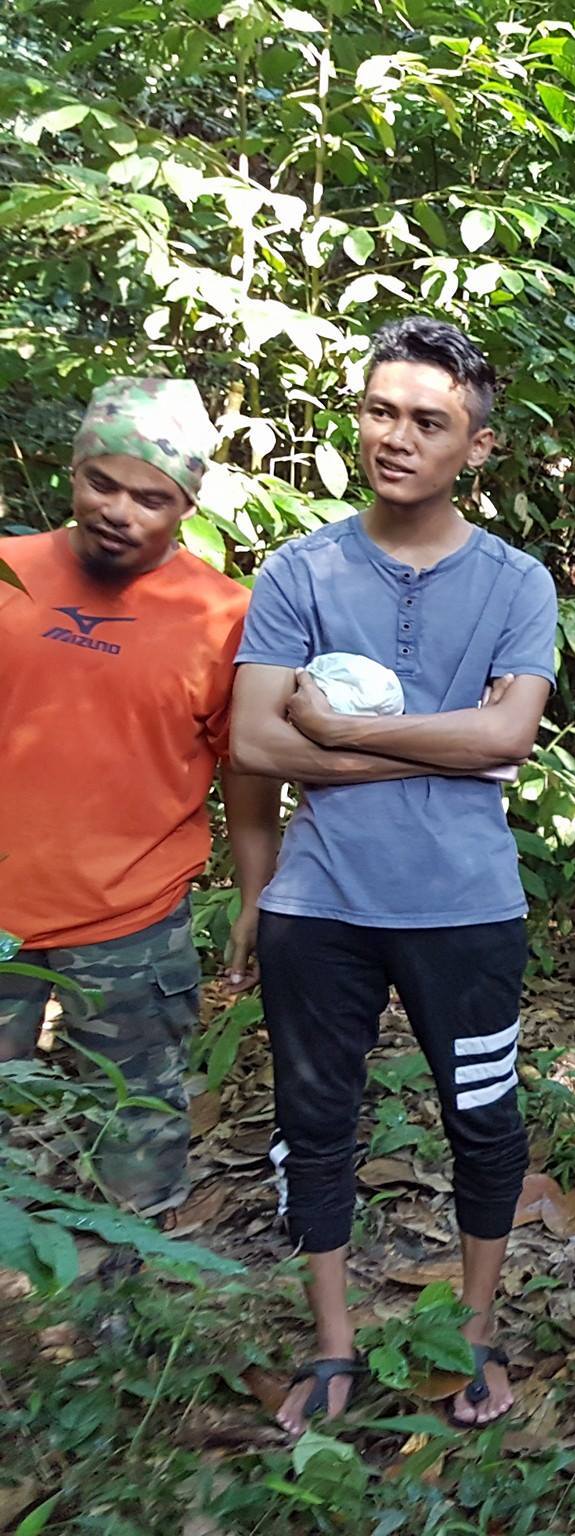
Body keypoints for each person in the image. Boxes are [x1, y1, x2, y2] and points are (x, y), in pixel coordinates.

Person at [230, 317, 557, 1435]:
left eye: (429, 421)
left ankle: (472, 1330)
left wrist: (339, 737)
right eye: (381, 411)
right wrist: (432, 739)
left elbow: (508, 738)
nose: (397, 437)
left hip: (466, 905)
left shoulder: (516, 581)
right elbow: (257, 744)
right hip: (318, 904)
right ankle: (331, 1345)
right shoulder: (301, 568)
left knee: (483, 1116)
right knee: (314, 1118)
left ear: (477, 445)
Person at [0, 378, 282, 1218]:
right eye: (101, 483)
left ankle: (125, 1325)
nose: (119, 510)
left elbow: (246, 766)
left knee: (136, 1135)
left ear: (187, 502)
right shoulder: (10, 573)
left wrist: (254, 893)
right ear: (74, 471)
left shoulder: (222, 615)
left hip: (133, 918)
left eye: (150, 497)